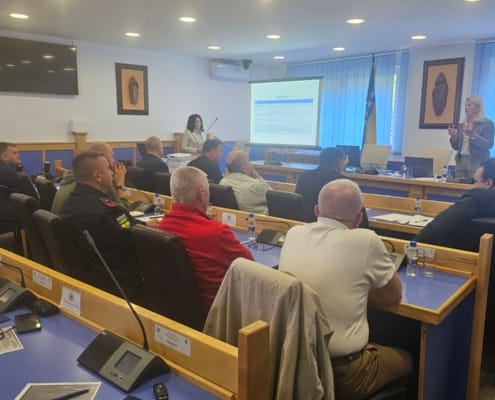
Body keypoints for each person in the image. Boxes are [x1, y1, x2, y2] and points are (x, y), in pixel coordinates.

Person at [279, 179, 412, 400]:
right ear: (359, 218)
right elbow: (393, 296)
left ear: (317, 211)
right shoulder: (366, 240)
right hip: (343, 372)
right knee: (406, 359)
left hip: (295, 364)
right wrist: (357, 288)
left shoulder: (294, 233)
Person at [158, 166, 253, 312]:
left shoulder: (163, 226)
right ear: (202, 195)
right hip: (221, 312)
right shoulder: (216, 232)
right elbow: (251, 268)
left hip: (180, 309)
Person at [59, 151, 142, 299]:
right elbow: (133, 237)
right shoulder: (106, 211)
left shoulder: (69, 204)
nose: (112, 173)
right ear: (98, 176)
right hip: (117, 284)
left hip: (87, 279)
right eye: (109, 169)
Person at [415, 159, 495, 249]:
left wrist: (411, 249)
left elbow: (438, 227)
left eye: (475, 181)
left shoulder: (479, 196)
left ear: (488, 183)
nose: (473, 186)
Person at [51, 142, 127, 214]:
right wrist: (120, 185)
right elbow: (123, 212)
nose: (114, 160)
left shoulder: (74, 178)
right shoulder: (94, 184)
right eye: (112, 157)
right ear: (102, 159)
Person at [295, 147, 347, 222]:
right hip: (331, 224)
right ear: (339, 163)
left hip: (303, 222)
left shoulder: (305, 176)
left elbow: (297, 202)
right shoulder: (344, 183)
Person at [448, 96, 494, 179]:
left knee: (474, 185)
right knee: (458, 185)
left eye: (469, 105)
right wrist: (453, 136)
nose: (466, 108)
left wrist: (473, 135)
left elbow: (488, 144)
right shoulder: (462, 124)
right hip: (461, 161)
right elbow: (456, 147)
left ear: (477, 108)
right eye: (465, 105)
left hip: (477, 161)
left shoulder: (487, 124)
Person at [219, 150, 271, 214]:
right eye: (249, 162)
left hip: (237, 218)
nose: (251, 165)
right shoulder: (254, 185)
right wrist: (257, 175)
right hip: (263, 219)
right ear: (244, 168)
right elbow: (273, 198)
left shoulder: (222, 182)